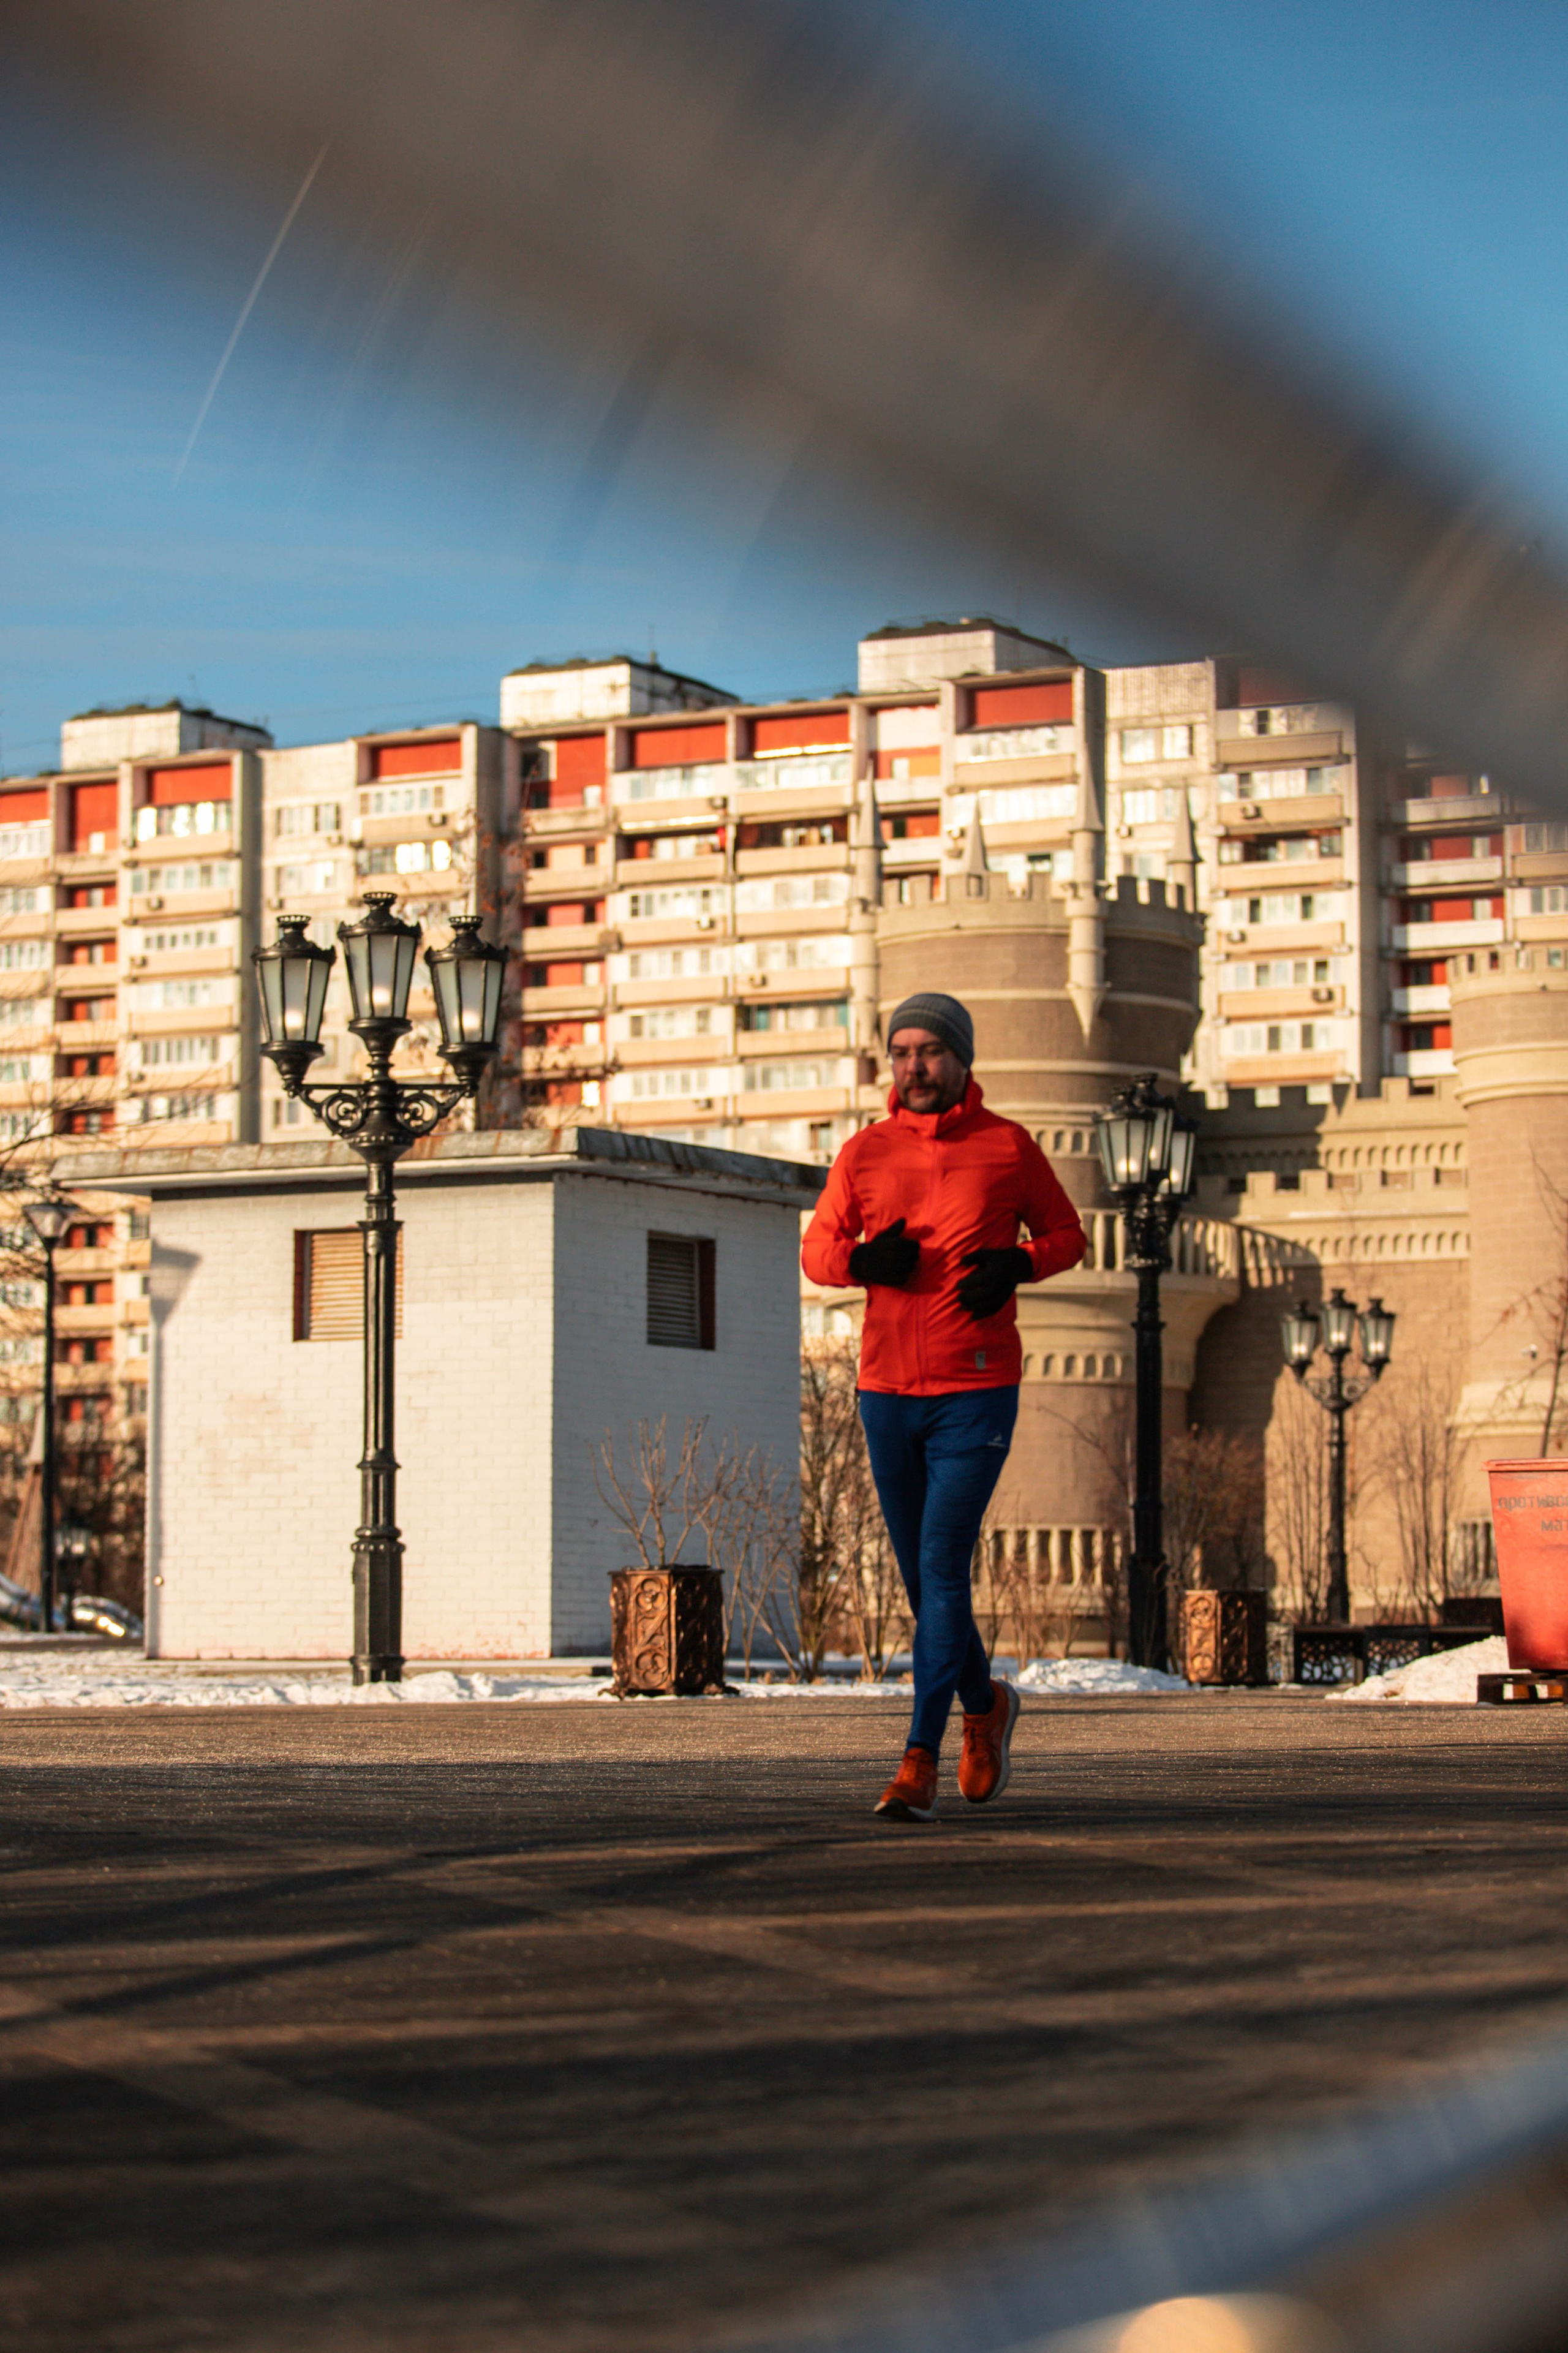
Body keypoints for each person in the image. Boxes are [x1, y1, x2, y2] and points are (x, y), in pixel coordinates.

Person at [802, 991, 1087, 1820]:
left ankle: (919, 1755)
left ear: (962, 1058)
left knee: (939, 1564)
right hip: (886, 1390)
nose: (914, 1067)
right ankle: (986, 1705)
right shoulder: (865, 1153)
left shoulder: (1008, 1147)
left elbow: (1069, 1233)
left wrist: (1019, 1265)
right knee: (926, 1584)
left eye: (929, 1050)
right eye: (901, 1052)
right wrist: (864, 1259)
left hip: (977, 1385)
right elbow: (818, 1251)